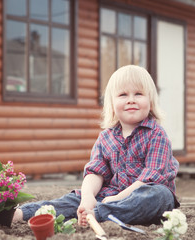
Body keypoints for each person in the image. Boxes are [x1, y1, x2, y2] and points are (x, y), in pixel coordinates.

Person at [12, 65, 180, 226]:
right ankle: (21, 214)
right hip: (110, 196)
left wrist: (118, 198)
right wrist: (87, 197)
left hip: (141, 197)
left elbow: (149, 177)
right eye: (123, 95)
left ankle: (99, 214)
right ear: (111, 103)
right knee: (73, 199)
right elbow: (95, 172)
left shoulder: (156, 134)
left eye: (138, 94)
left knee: (159, 195)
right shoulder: (106, 137)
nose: (131, 100)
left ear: (150, 99)